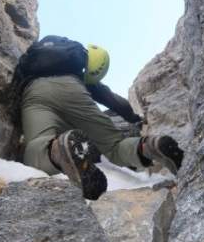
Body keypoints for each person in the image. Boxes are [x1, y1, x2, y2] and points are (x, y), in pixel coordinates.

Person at [10, 35, 184, 200]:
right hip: (72, 89)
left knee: (37, 146)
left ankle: (58, 149)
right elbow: (116, 102)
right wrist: (134, 117)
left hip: (33, 94)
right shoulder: (79, 73)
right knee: (115, 147)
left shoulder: (39, 59)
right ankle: (152, 146)